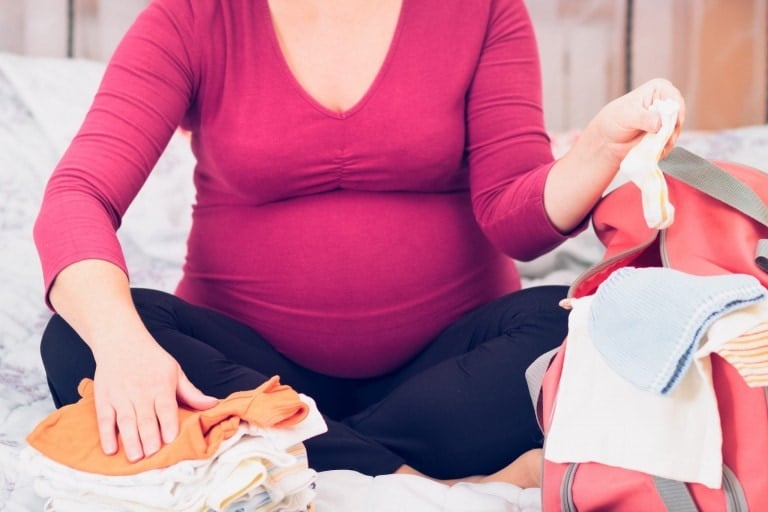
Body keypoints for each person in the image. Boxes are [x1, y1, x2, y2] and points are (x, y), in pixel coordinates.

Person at [33, 0, 684, 489]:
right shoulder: (193, 16)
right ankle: (420, 481)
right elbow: (78, 195)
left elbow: (516, 223)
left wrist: (599, 148)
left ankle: (293, 453)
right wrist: (124, 348)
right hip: (245, 375)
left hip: (445, 375)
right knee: (80, 337)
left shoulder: (483, 9)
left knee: (584, 323)